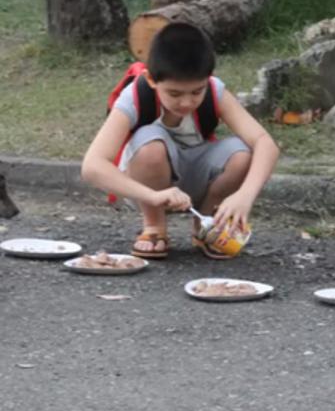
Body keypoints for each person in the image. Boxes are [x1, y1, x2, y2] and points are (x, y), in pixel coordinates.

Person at [81, 22, 280, 259]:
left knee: (242, 154)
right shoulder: (135, 96)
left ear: (208, 79)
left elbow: (264, 143)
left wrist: (245, 196)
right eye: (174, 94)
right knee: (150, 144)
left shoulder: (215, 91)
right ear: (152, 80)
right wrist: (153, 196)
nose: (186, 103)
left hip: (196, 177)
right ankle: (154, 226)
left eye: (197, 91)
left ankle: (207, 225)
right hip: (146, 187)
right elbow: (92, 167)